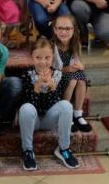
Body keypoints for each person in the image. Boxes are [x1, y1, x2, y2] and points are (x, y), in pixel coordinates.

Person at [19, 38, 80, 171]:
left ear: (53, 57)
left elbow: (55, 104)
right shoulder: (26, 75)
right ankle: (28, 151)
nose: (43, 62)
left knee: (66, 105)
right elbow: (29, 103)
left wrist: (53, 87)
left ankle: (64, 148)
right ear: (32, 57)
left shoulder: (59, 75)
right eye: (38, 58)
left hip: (49, 119)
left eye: (47, 57)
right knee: (26, 108)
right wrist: (37, 87)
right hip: (32, 120)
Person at [51, 15, 91, 132]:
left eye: (68, 28)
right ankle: (66, 113)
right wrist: (66, 69)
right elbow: (49, 69)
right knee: (73, 79)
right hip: (56, 77)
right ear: (55, 30)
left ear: (74, 30)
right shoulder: (52, 46)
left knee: (81, 78)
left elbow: (79, 62)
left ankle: (78, 113)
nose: (64, 32)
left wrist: (80, 66)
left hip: (70, 75)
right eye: (60, 28)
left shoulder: (75, 44)